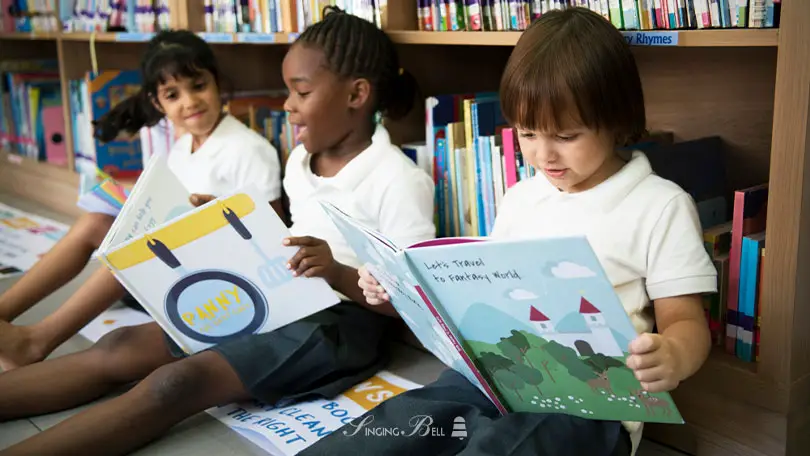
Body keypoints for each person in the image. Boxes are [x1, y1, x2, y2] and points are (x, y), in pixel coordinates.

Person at [0, 7, 435, 456]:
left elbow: (413, 302)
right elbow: (294, 235)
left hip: (336, 326)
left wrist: (336, 273)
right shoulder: (301, 163)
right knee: (120, 347)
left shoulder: (399, 180)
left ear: (356, 94)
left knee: (176, 383)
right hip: (279, 292)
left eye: (300, 91)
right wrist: (226, 225)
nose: (286, 104)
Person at [303, 7, 717, 456]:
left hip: (589, 405)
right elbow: (482, 298)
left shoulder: (658, 205)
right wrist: (397, 286)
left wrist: (673, 354)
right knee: (400, 425)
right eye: (527, 134)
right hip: (497, 375)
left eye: (567, 135)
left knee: (506, 446)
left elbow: (686, 321)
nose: (544, 154)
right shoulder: (522, 197)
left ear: (616, 120)